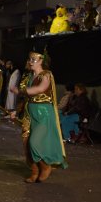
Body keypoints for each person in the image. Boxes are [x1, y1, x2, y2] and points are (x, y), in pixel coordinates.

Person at [10, 52, 68, 183]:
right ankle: (35, 171)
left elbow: (40, 89)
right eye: (29, 59)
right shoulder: (28, 76)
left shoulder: (46, 75)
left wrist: (21, 91)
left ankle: (46, 166)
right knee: (26, 145)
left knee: (35, 142)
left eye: (34, 59)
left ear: (41, 61)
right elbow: (25, 98)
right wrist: (16, 110)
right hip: (29, 112)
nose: (30, 61)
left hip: (43, 113)